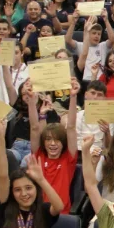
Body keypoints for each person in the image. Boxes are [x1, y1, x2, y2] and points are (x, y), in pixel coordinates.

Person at [28, 78, 79, 214]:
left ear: (64, 143)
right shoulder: (39, 156)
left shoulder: (69, 159)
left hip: (61, 214)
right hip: (37, 212)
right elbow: (34, 128)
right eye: (49, 140)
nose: (52, 144)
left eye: (57, 140)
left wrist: (73, 96)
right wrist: (33, 103)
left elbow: (72, 127)